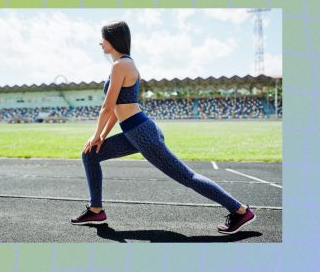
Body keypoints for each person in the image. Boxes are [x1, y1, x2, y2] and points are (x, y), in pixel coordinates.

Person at [70, 21, 256, 234]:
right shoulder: (123, 65)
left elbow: (107, 107)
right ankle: (96, 210)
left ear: (112, 39)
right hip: (134, 132)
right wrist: (101, 137)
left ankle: (241, 211)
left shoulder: (120, 65)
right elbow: (116, 110)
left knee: (188, 177)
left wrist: (95, 135)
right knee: (91, 155)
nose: (100, 43)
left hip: (141, 133)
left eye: (103, 38)